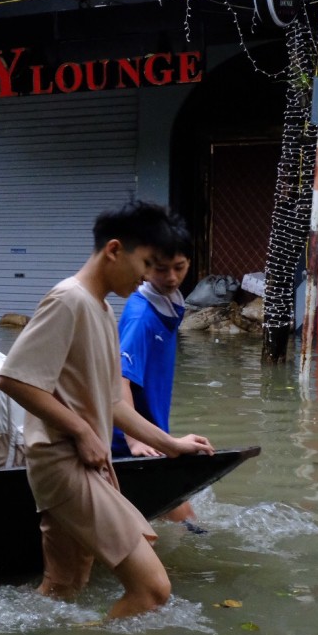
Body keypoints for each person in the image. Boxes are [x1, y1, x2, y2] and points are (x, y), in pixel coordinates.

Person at [0, 201, 215, 620]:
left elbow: (113, 402)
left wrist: (170, 444)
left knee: (62, 588)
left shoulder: (100, 308)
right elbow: (14, 379)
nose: (148, 276)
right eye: (146, 263)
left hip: (82, 464)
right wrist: (81, 432)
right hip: (64, 463)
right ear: (114, 250)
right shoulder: (69, 300)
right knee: (152, 590)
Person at [110, 220, 198, 525]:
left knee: (178, 519)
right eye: (161, 269)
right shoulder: (142, 317)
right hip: (128, 446)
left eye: (179, 267)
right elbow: (119, 379)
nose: (172, 277)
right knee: (184, 523)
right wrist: (135, 440)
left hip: (149, 437)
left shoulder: (167, 305)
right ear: (145, 268)